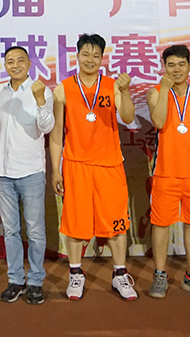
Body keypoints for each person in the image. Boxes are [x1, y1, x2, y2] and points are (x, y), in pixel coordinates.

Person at [49, 33, 137, 301]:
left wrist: (125, 91)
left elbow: (128, 117)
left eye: (96, 55)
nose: (90, 59)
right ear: (77, 56)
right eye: (85, 54)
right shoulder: (63, 89)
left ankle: (120, 274)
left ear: (102, 58)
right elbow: (56, 134)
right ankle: (76, 273)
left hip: (109, 165)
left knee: (116, 223)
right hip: (76, 166)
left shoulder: (112, 86)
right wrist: (56, 170)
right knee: (76, 223)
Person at [145, 44, 190, 300]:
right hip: (166, 172)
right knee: (161, 224)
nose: (176, 69)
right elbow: (159, 122)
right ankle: (160, 274)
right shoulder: (155, 92)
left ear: (189, 66)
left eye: (181, 64)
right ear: (164, 67)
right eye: (171, 65)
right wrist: (165, 89)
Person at [0, 46, 54, 305]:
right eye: (10, 61)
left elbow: (47, 126)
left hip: (31, 172)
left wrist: (40, 100)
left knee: (35, 231)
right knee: (11, 231)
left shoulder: (41, 90)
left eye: (20, 60)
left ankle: (35, 281)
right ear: (5, 65)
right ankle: (15, 279)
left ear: (29, 63)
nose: (15, 65)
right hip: (3, 173)